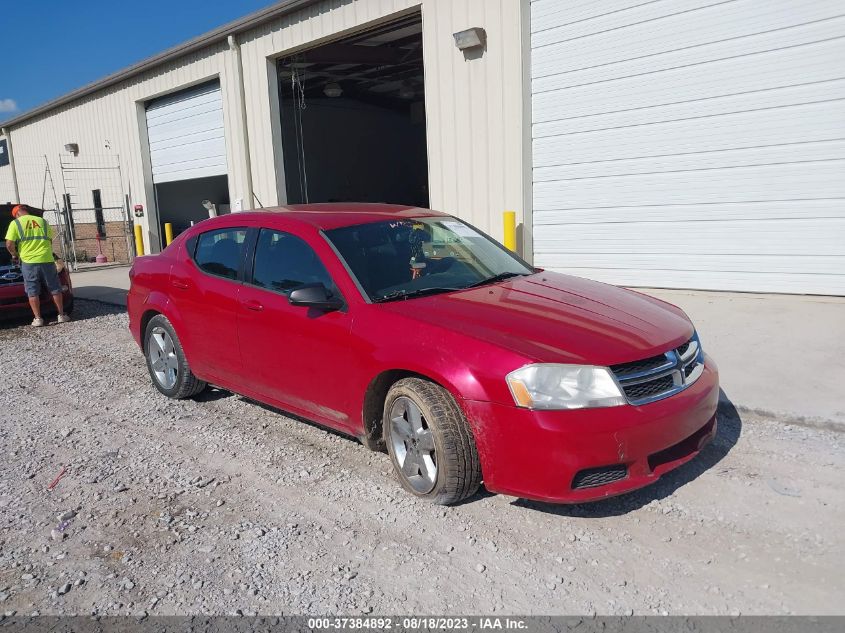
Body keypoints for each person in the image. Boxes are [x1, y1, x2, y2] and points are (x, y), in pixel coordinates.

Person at [4, 204, 70, 327]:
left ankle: (38, 319)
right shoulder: (43, 221)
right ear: (26, 211)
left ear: (17, 214)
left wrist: (15, 254)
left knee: (32, 291)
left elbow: (9, 244)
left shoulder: (16, 223)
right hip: (47, 259)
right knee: (55, 288)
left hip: (29, 262)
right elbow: (49, 241)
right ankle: (61, 315)